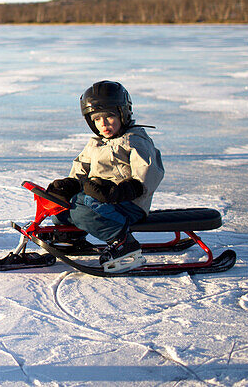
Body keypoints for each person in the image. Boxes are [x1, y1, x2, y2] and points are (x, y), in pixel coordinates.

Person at [45, 81, 165, 273]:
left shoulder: (134, 140)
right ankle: (71, 237)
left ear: (123, 113)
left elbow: (150, 171)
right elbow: (80, 168)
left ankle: (123, 242)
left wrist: (123, 190)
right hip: (99, 201)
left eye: (109, 116)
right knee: (65, 205)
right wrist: (69, 185)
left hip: (128, 205)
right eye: (97, 119)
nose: (103, 123)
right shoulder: (95, 143)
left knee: (81, 209)